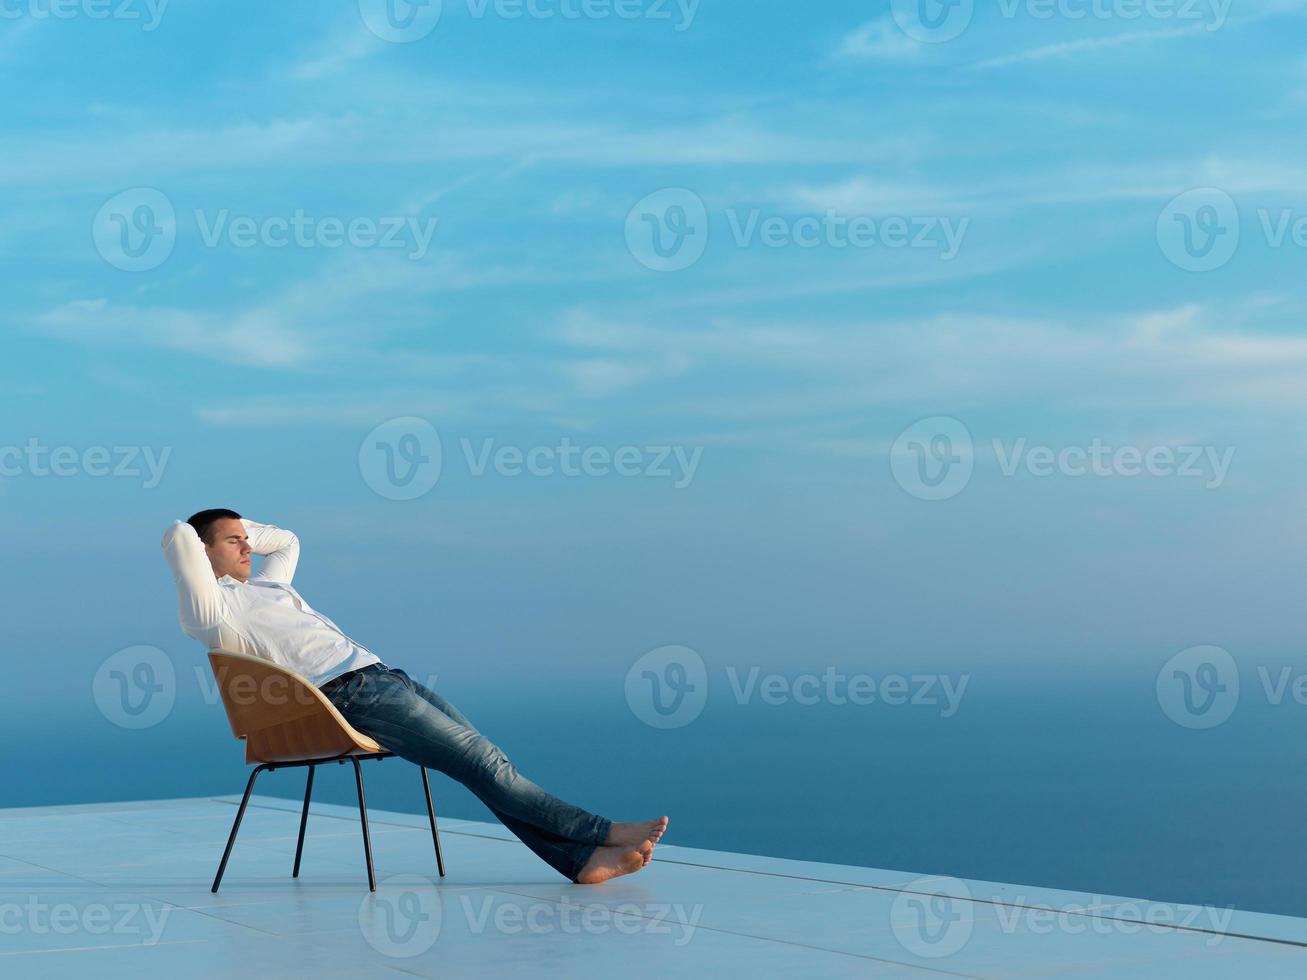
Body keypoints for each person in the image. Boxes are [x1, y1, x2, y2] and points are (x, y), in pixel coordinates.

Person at [161, 508, 667, 884]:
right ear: (202, 554)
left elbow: (288, 541)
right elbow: (179, 537)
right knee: (484, 762)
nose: (249, 548)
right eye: (234, 541)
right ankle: (601, 832)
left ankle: (579, 861)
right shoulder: (212, 612)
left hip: (386, 678)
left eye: (247, 539)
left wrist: (236, 526)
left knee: (487, 762)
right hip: (350, 697)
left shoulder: (268, 588)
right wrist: (201, 532)